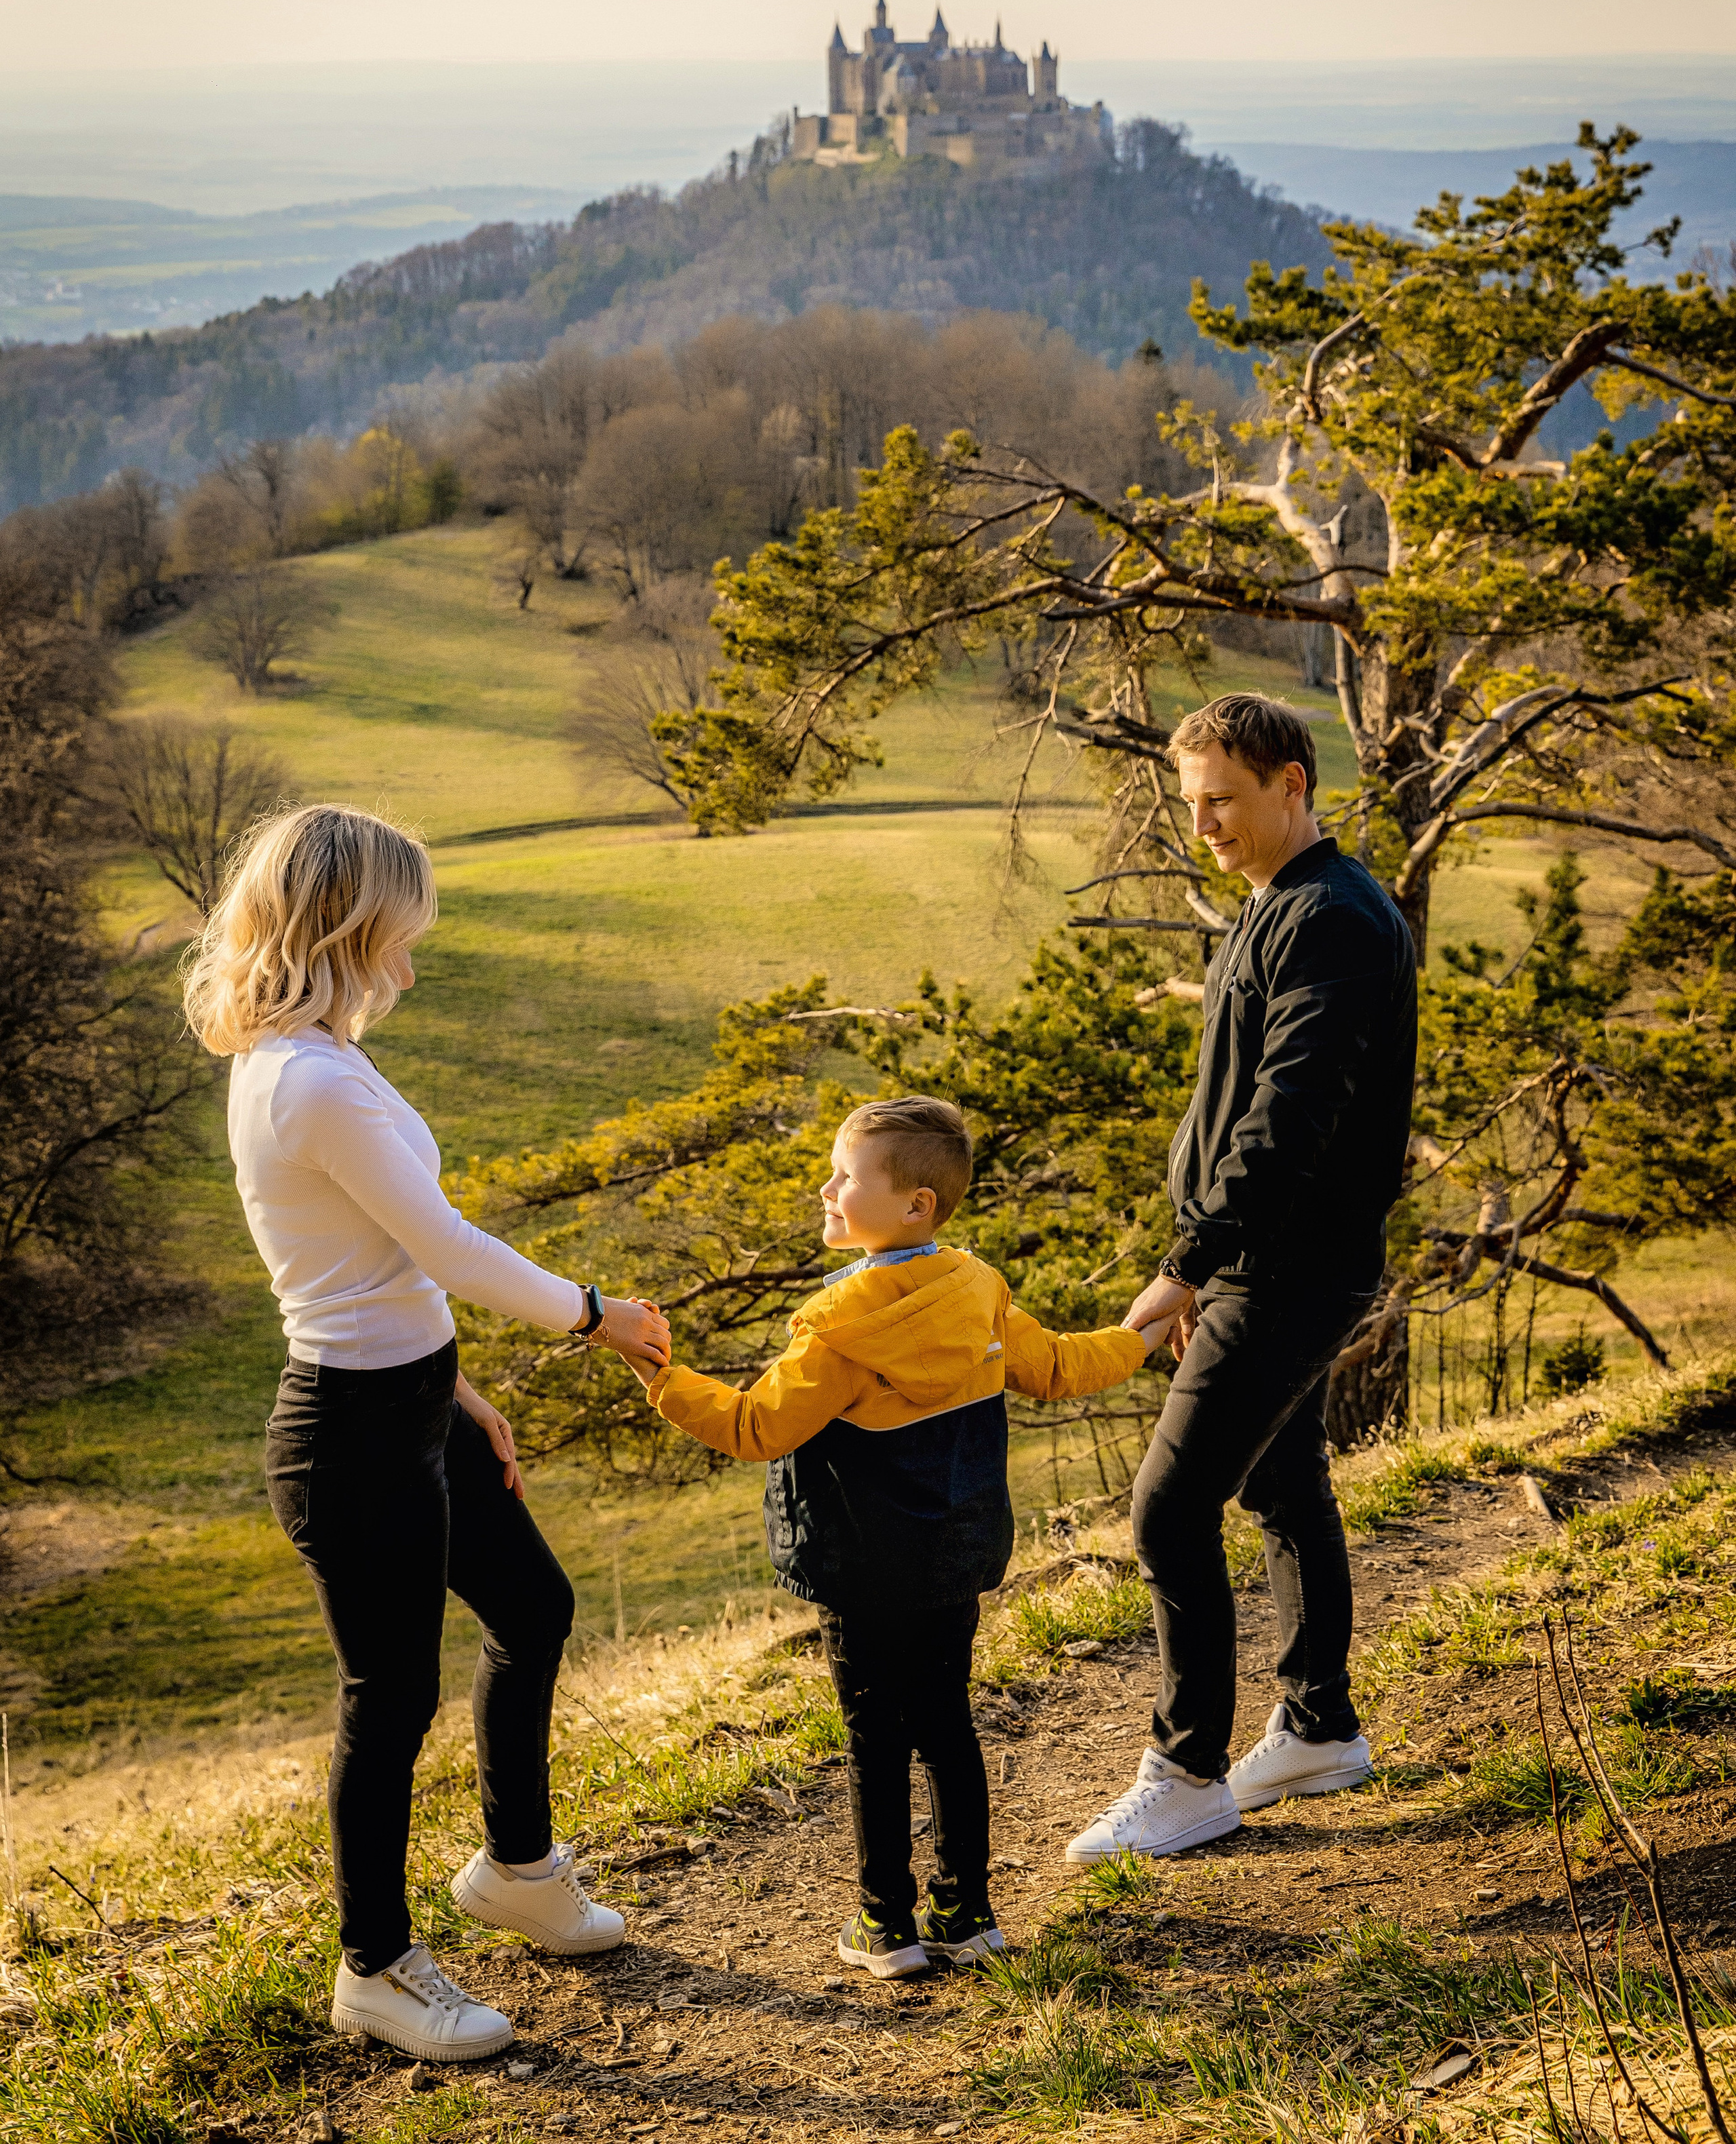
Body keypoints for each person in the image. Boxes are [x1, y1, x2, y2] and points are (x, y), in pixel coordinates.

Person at [184, 804, 671, 2064]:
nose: (412, 957)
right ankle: (378, 1968)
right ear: (345, 927)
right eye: (400, 931)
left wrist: (455, 1389)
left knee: (537, 1609)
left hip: (413, 1402)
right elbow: (442, 1245)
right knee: (387, 1699)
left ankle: (515, 1871)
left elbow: (368, 1264)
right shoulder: (304, 1077)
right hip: (348, 1435)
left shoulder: (320, 1054)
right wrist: (596, 1316)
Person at [611, 1094, 1164, 1979]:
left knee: (875, 1735)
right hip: (953, 1555)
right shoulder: (977, 1290)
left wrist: (661, 1375)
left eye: (846, 1176)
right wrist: (1141, 1335)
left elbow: (757, 1428)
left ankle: (885, 1925)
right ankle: (967, 1912)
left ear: (916, 1207)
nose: (827, 1188)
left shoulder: (838, 1330)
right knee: (947, 1724)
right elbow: (1061, 1366)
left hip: (860, 1568)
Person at [1067, 693, 1417, 1866]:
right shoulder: (1272, 908)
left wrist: (1190, 1267)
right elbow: (1235, 1112)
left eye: (1223, 797)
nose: (1204, 821)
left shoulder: (1337, 921)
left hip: (1286, 1268)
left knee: (1167, 1508)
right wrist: (1206, 1258)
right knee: (1281, 1482)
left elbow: (1289, 1121)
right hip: (1255, 1262)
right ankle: (1318, 1725)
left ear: (1291, 783)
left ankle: (1187, 1773)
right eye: (1193, 801)